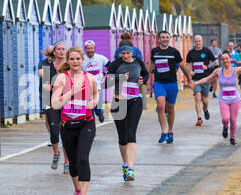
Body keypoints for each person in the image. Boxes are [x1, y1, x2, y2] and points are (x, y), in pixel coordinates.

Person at [51, 47, 99, 195]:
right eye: (72, 59)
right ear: (68, 61)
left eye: (78, 59)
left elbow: (95, 94)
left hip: (86, 123)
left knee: (83, 158)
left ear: (82, 60)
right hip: (67, 126)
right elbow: (55, 104)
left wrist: (94, 101)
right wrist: (72, 91)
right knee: (73, 163)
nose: (75, 62)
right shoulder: (61, 79)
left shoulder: (90, 77)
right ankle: (77, 191)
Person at [105, 33, 149, 181]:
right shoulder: (115, 64)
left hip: (135, 101)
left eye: (128, 53)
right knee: (122, 137)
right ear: (119, 52)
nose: (125, 56)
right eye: (122, 53)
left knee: (131, 134)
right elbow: (106, 83)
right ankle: (125, 163)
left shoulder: (138, 63)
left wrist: (143, 80)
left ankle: (131, 168)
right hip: (118, 102)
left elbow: (146, 75)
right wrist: (121, 78)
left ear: (132, 52)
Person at [191, 49, 241, 145]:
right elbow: (207, 78)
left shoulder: (235, 70)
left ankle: (232, 138)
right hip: (223, 100)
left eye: (227, 59)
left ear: (230, 59)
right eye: (223, 59)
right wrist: (195, 83)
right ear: (221, 61)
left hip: (235, 99)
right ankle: (225, 127)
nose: (225, 61)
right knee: (225, 119)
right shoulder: (218, 71)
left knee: (233, 120)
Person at [148, 30, 193, 144]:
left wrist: (189, 79)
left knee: (171, 109)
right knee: (161, 105)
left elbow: (182, 66)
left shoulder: (174, 52)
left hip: (172, 84)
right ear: (159, 39)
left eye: (167, 37)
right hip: (159, 83)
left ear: (169, 39)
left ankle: (170, 131)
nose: (165, 39)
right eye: (163, 37)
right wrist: (147, 74)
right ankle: (163, 132)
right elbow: (151, 65)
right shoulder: (155, 51)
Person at [38, 42, 69, 174]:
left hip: (66, 101)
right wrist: (47, 84)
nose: (61, 51)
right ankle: (56, 153)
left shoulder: (69, 64)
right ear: (54, 52)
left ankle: (67, 162)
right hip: (49, 100)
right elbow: (43, 77)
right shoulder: (46, 64)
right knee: (54, 130)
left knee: (66, 133)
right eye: (59, 49)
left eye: (63, 49)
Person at [186, 35, 216, 126]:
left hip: (205, 78)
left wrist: (208, 66)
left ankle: (205, 109)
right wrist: (190, 71)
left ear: (202, 42)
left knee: (205, 100)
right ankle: (199, 118)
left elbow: (214, 61)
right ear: (194, 42)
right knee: (197, 97)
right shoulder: (191, 53)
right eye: (196, 41)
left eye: (199, 41)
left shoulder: (206, 51)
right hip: (195, 79)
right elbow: (187, 64)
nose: (198, 43)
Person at [81, 40, 110, 124]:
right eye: (88, 48)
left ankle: (100, 114)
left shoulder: (100, 58)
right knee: (90, 109)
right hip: (87, 88)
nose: (90, 50)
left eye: (91, 48)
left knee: (98, 109)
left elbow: (111, 66)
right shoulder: (82, 59)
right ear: (85, 49)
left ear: (94, 48)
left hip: (98, 88)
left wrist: (105, 75)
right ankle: (92, 130)